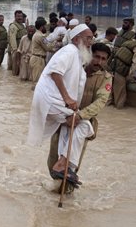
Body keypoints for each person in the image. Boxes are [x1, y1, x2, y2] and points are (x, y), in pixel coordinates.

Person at [27, 24, 95, 186]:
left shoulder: (77, 56)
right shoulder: (69, 51)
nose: (90, 42)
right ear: (77, 39)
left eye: (92, 38)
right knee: (84, 125)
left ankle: (64, 165)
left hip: (53, 101)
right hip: (51, 100)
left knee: (69, 127)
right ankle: (62, 164)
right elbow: (55, 72)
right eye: (88, 38)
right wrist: (67, 99)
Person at [46, 43, 112, 184]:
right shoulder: (74, 68)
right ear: (89, 55)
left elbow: (101, 102)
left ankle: (66, 188)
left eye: (103, 59)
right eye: (96, 57)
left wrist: (80, 116)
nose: (99, 62)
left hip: (82, 121)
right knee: (53, 157)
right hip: (62, 119)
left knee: (72, 161)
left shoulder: (105, 78)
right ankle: (54, 187)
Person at [108, 18, 136, 109]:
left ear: (131, 24)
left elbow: (135, 58)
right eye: (123, 22)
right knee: (109, 87)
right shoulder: (120, 33)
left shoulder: (133, 37)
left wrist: (132, 72)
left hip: (123, 65)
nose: (123, 24)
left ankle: (119, 108)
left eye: (126, 23)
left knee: (120, 89)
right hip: (114, 62)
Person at [29, 18, 52, 87]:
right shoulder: (40, 36)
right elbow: (48, 47)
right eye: (45, 26)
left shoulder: (36, 34)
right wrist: (57, 44)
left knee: (36, 81)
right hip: (38, 60)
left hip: (36, 59)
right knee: (37, 82)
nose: (46, 28)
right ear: (42, 27)